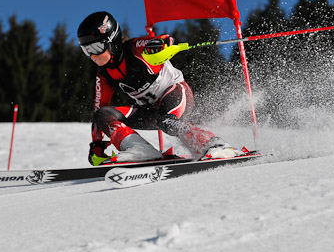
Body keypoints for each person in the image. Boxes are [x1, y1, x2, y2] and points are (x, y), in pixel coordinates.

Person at [77, 11, 241, 165]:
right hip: (150, 110)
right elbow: (99, 109)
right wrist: (96, 143)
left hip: (175, 93)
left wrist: (160, 43)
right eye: (87, 50)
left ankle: (215, 144)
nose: (93, 56)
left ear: (112, 41)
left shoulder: (134, 48)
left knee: (167, 121)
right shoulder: (104, 74)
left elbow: (162, 41)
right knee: (103, 114)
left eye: (96, 48)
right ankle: (140, 149)